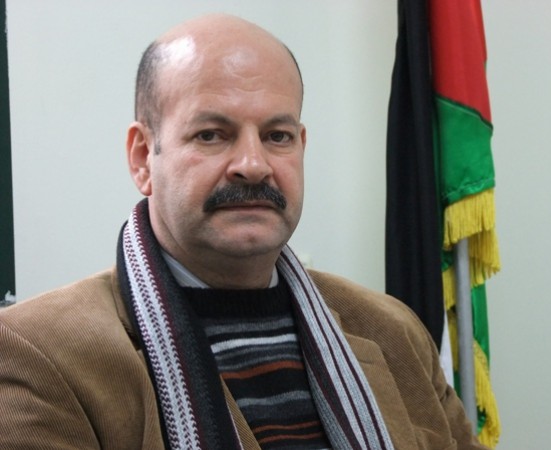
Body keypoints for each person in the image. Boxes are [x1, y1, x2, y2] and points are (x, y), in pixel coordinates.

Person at [0, 14, 488, 450]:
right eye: (212, 134)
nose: (254, 165)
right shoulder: (36, 352)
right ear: (143, 157)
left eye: (277, 136)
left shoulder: (394, 331)